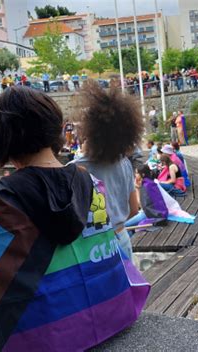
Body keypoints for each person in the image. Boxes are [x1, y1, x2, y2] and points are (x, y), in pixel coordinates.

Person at [0, 86, 148, 351]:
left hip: (41, 336)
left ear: (2, 140)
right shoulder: (90, 183)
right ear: (53, 131)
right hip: (109, 314)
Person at [72, 80, 143, 260]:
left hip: (92, 249)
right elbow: (133, 210)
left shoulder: (73, 170)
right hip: (122, 238)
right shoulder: (124, 163)